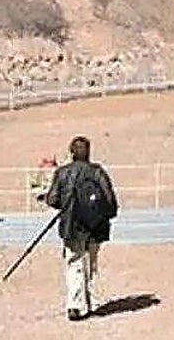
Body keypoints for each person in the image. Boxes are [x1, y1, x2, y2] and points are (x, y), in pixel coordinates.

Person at [44, 136, 118, 322]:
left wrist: (65, 204)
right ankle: (91, 302)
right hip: (95, 227)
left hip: (71, 227)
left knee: (74, 264)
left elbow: (52, 199)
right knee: (91, 264)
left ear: (71, 152)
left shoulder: (62, 173)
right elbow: (111, 202)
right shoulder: (98, 172)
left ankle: (75, 305)